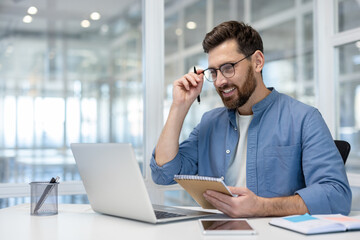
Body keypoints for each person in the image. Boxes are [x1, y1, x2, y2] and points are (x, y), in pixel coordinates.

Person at [150, 21, 352, 217]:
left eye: (228, 67)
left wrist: (261, 207)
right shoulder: (209, 122)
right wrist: (179, 106)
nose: (220, 81)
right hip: (216, 231)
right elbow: (163, 174)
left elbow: (337, 196)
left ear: (257, 62)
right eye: (213, 71)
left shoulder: (304, 119)